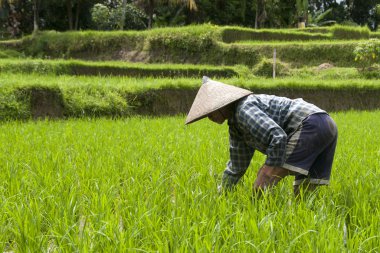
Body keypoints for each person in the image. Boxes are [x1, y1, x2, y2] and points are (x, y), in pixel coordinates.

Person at [185, 77, 338, 195]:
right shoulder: (236, 126)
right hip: (325, 123)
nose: (209, 117)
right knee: (304, 195)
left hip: (309, 124)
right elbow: (236, 167)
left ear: (222, 104)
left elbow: (277, 137)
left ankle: (257, 214)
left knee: (264, 178)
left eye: (210, 112)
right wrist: (222, 193)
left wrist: (269, 170)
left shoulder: (244, 109)